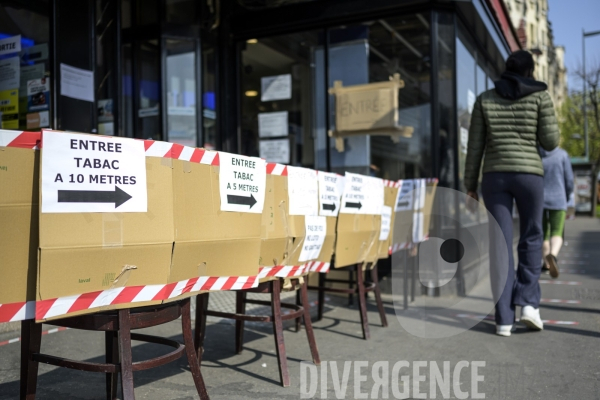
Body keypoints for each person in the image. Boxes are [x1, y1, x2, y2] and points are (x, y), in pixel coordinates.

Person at [464, 50, 559, 337]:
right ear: (530, 71)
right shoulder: (540, 97)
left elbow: (475, 148)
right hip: (530, 176)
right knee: (532, 236)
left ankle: (504, 319)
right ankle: (529, 304)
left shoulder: (484, 99)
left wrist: (470, 186)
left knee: (500, 244)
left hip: (494, 178)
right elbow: (551, 142)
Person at [540, 147, 574, 278]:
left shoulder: (537, 153)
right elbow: (569, 180)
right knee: (557, 232)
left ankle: (546, 264)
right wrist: (567, 193)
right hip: (559, 199)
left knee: (543, 233)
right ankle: (552, 255)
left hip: (540, 199)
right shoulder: (562, 155)